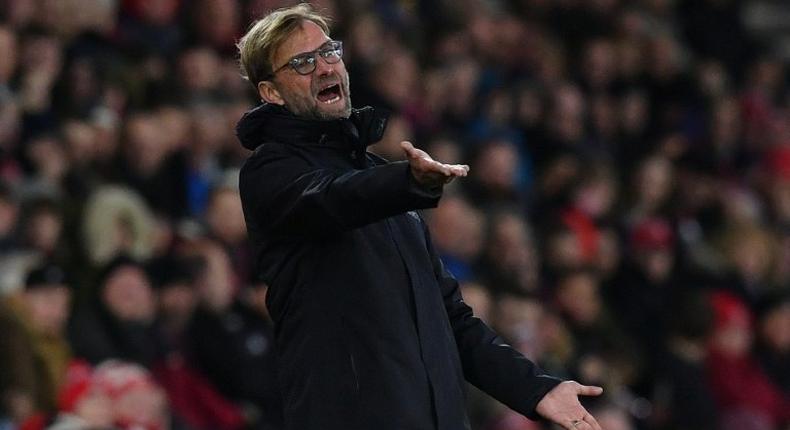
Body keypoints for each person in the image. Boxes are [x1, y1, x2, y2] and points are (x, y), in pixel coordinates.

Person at [235, 4, 603, 430]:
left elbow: (451, 319)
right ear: (271, 92)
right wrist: (407, 183)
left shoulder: (381, 183)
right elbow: (330, 199)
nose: (323, 67)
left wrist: (536, 389)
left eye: (329, 52)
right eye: (302, 62)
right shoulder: (270, 173)